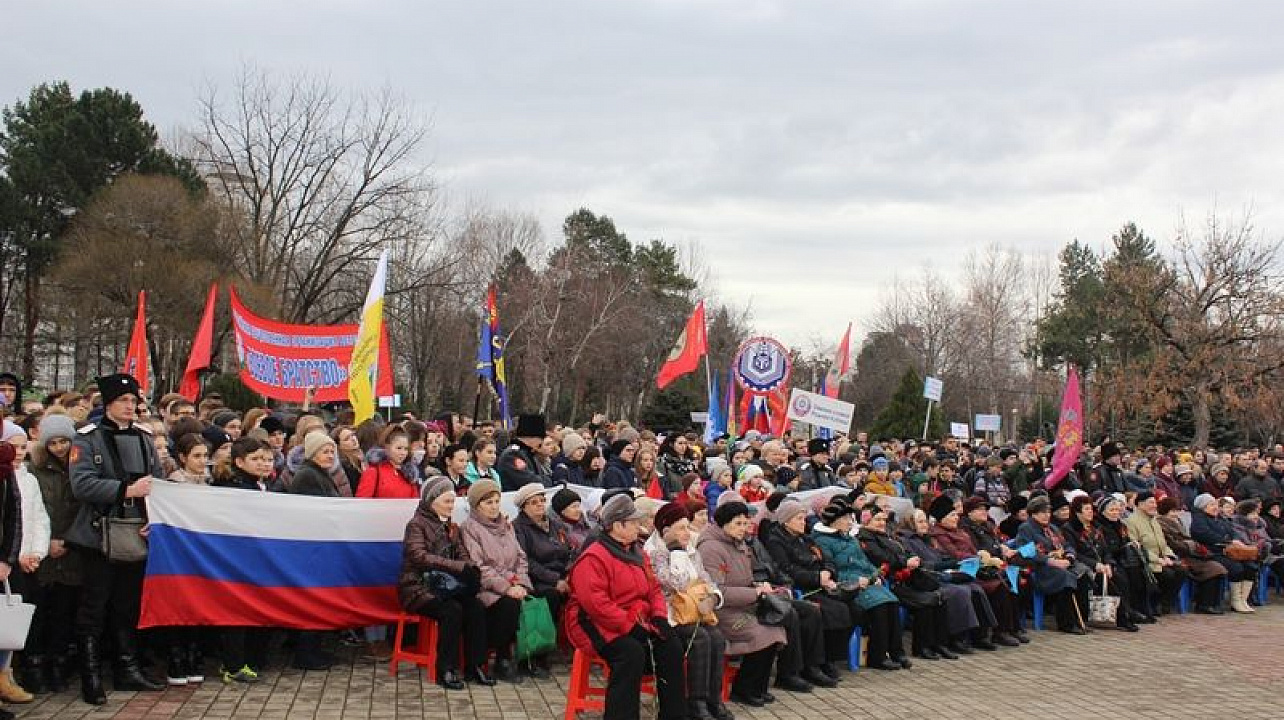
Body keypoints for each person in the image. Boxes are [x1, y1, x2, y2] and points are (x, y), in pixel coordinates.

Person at [64, 374, 166, 704]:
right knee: (94, 608)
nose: (130, 406)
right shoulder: (87, 439)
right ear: (107, 404)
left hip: (136, 531)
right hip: (99, 534)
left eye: (133, 400)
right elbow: (82, 485)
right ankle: (90, 677)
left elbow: (158, 484)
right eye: (123, 400)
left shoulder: (144, 438)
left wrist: (155, 518)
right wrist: (125, 490)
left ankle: (127, 668)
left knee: (127, 605)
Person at [565, 494, 687, 720]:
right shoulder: (594, 556)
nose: (638, 527)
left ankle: (674, 715)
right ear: (617, 526)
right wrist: (629, 626)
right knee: (630, 653)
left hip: (635, 618)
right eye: (633, 523)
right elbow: (596, 604)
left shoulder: (637, 552)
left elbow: (654, 590)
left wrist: (659, 617)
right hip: (592, 623)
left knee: (671, 645)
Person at [398, 476, 493, 690]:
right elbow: (418, 556)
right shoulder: (416, 525)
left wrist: (469, 567)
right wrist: (455, 566)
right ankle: (445, 669)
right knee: (452, 611)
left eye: (452, 501)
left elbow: (461, 553)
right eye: (447, 501)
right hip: (417, 587)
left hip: (447, 586)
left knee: (476, 607)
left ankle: (475, 665)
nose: (451, 506)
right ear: (432, 501)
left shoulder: (452, 526)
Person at [644, 503, 734, 720]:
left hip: (695, 610)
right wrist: (675, 551)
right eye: (681, 528)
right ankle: (696, 702)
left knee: (717, 637)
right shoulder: (656, 553)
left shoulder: (692, 551)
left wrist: (713, 598)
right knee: (701, 638)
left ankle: (713, 699)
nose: (687, 533)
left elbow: (706, 579)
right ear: (666, 531)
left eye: (687, 527)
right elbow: (677, 584)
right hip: (671, 615)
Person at [759, 500, 846, 687]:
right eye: (799, 518)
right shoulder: (776, 540)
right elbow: (787, 569)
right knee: (824, 611)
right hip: (802, 587)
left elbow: (827, 559)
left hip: (819, 583)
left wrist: (827, 573)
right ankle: (812, 665)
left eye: (804, 518)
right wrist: (816, 578)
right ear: (786, 520)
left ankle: (827, 660)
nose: (803, 522)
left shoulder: (805, 538)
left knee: (845, 609)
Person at [811, 499, 906, 668]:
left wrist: (874, 574)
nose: (850, 521)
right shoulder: (822, 541)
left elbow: (865, 561)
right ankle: (877, 657)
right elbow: (832, 568)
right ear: (835, 521)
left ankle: (896, 651)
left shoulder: (851, 539)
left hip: (865, 580)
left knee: (892, 602)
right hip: (848, 585)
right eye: (846, 518)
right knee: (880, 606)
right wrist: (856, 580)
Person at [899, 509, 1005, 650]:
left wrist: (952, 562)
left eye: (925, 521)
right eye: (920, 522)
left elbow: (940, 555)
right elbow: (922, 564)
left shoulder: (927, 538)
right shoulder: (906, 540)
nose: (925, 525)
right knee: (959, 592)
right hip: (927, 578)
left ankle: (980, 635)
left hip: (940, 573)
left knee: (976, 588)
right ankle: (956, 637)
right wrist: (947, 564)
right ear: (910, 524)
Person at [927, 496, 1025, 645]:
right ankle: (999, 631)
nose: (956, 518)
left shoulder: (960, 532)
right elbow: (955, 554)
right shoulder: (939, 534)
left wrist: (982, 557)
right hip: (963, 570)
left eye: (955, 515)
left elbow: (974, 550)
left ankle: (1012, 627)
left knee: (1011, 577)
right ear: (942, 519)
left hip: (977, 567)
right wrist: (979, 558)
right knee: (998, 586)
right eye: (952, 515)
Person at [458, 479, 529, 683]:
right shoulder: (469, 528)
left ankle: (528, 657)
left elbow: (521, 558)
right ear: (476, 504)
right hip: (485, 586)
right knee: (508, 604)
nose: (494, 506)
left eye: (497, 501)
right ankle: (502, 658)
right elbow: (479, 566)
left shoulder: (506, 526)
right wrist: (507, 586)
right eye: (488, 502)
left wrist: (520, 582)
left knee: (527, 599)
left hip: (512, 582)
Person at [511, 483, 571, 678]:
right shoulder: (519, 527)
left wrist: (568, 575)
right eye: (533, 502)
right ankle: (538, 653)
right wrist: (555, 580)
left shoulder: (556, 525)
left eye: (542, 501)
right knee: (550, 597)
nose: (539, 505)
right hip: (535, 579)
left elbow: (569, 552)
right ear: (524, 507)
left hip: (561, 576)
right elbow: (525, 560)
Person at [1014, 495, 1091, 634]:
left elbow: (1067, 545)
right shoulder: (1026, 529)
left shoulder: (1052, 528)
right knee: (1065, 577)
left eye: (1048, 512)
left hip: (1060, 563)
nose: (1046, 515)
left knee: (1082, 574)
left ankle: (1081, 619)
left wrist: (1069, 557)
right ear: (1033, 513)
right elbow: (1026, 552)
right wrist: (1051, 561)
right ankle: (1066, 623)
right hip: (1040, 569)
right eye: (1042, 512)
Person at [1156, 496, 1227, 614]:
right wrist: (1190, 545)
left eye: (1176, 510)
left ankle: (1211, 603)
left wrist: (1191, 545)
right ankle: (1204, 604)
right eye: (1172, 511)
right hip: (1179, 555)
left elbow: (1186, 540)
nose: (1176, 514)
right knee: (1213, 568)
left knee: (1216, 567)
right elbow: (1173, 544)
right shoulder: (1162, 524)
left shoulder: (1177, 522)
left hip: (1190, 553)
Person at [1190, 492, 1257, 613]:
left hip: (1228, 551)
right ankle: (1235, 601)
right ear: (1203, 507)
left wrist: (1236, 540)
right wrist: (1228, 541)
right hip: (1211, 552)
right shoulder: (1199, 519)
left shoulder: (1220, 518)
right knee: (1236, 568)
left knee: (1251, 566)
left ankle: (1243, 600)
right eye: (1211, 504)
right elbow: (1204, 534)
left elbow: (1232, 531)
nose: (1215, 507)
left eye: (1215, 503)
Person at [1125, 490, 1188, 614]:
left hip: (1162, 559)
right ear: (1140, 504)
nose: (1154, 505)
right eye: (1151, 503)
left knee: (1181, 570)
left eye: (1154, 503)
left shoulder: (1154, 521)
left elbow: (1163, 543)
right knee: (1167, 574)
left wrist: (1169, 556)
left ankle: (1165, 603)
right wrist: (1158, 559)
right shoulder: (1131, 522)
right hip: (1146, 560)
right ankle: (1156, 603)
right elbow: (1137, 546)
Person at [357, 426, 420, 499]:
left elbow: (414, 503)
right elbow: (362, 503)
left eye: (406, 449)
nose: (403, 453)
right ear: (387, 447)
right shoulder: (373, 472)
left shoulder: (409, 475)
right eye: (399, 448)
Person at [496, 414, 546, 491]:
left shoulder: (529, 454)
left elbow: (544, 477)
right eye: (540, 439)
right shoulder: (512, 455)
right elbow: (530, 481)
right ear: (531, 437)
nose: (541, 443)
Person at [656, 434, 697, 500]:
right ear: (671, 444)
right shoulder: (663, 462)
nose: (683, 446)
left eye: (685, 443)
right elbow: (661, 486)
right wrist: (675, 496)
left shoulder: (690, 463)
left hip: (689, 500)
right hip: (672, 501)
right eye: (680, 443)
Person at [332, 426, 365, 495]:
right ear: (339, 446)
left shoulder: (362, 458)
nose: (353, 439)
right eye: (347, 439)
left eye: (353, 435)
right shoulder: (343, 467)